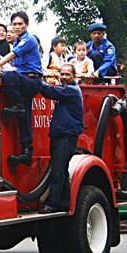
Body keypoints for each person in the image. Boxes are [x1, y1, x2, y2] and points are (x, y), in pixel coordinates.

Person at [0, 11, 42, 168]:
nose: (17, 27)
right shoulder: (17, 41)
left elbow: (11, 56)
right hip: (23, 80)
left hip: (32, 80)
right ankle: (27, 151)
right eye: (14, 24)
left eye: (20, 24)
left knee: (7, 76)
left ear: (26, 25)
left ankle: (18, 106)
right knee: (25, 117)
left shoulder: (29, 39)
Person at [38, 64, 83, 213]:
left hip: (66, 136)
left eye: (67, 75)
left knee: (58, 171)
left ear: (74, 76)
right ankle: (64, 202)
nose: (63, 77)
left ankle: (53, 205)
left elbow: (50, 92)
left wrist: (37, 81)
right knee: (62, 170)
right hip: (61, 135)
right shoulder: (68, 89)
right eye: (62, 74)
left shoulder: (71, 90)